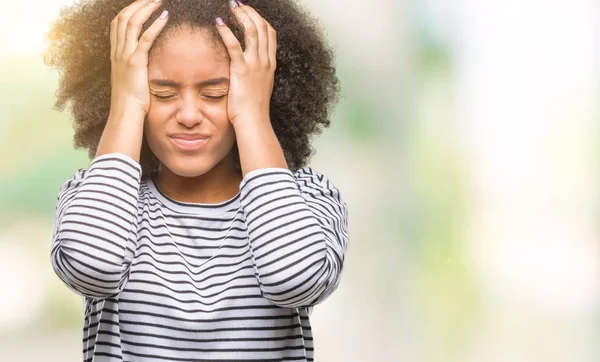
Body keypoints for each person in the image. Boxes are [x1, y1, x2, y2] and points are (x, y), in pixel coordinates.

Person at [45, 0, 348, 360]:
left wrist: (252, 113)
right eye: (162, 93)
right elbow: (92, 266)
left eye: (216, 94)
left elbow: (295, 279)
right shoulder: (98, 194)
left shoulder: (306, 197)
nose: (188, 115)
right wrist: (125, 102)